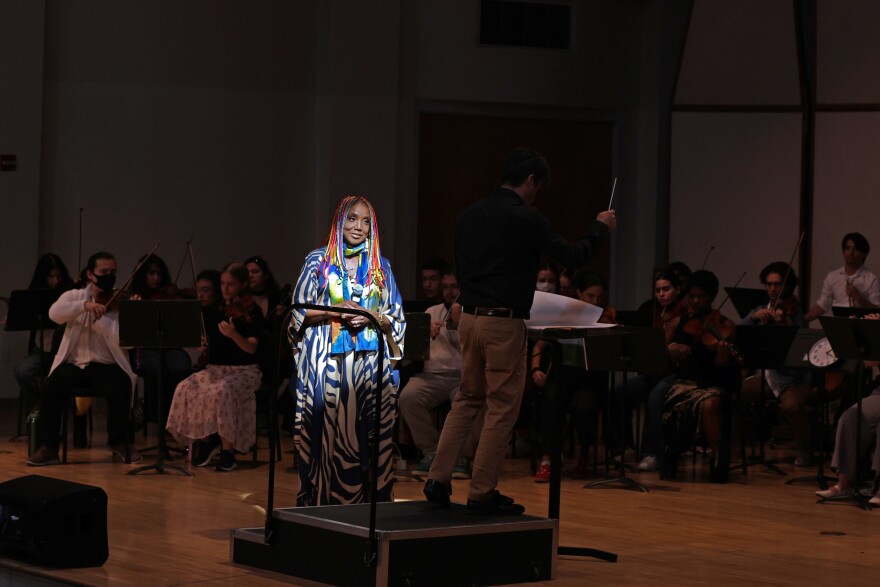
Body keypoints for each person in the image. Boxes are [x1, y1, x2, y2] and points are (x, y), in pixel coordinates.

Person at [423, 148, 616, 514]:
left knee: (466, 400)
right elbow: (572, 255)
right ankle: (481, 491)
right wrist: (599, 228)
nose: (536, 193)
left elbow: (462, 272)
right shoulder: (526, 217)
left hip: (470, 319)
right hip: (502, 322)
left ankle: (437, 479)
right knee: (501, 407)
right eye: (537, 186)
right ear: (530, 180)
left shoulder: (468, 215)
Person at [290, 195, 406, 506]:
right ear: (340, 221)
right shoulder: (318, 261)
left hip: (368, 366)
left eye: (365, 221)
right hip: (326, 363)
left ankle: (369, 509)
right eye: (352, 219)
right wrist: (336, 309)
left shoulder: (381, 267)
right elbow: (298, 311)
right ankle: (322, 504)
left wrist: (373, 316)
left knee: (368, 433)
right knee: (325, 431)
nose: (358, 226)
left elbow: (394, 317)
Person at [27, 252, 140, 466]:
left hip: (106, 366)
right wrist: (84, 306)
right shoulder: (74, 296)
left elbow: (131, 344)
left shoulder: (119, 303)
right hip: (75, 366)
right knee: (52, 385)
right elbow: (54, 313)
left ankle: (118, 441)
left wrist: (133, 314)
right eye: (104, 272)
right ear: (90, 274)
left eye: (113, 272)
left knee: (122, 383)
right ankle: (49, 447)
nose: (110, 276)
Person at [166, 263, 265, 472]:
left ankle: (227, 451)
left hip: (244, 371)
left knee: (222, 390)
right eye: (222, 284)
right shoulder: (213, 310)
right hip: (215, 368)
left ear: (243, 285)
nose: (225, 289)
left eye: (231, 284)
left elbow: (251, 349)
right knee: (187, 386)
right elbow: (207, 343)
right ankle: (205, 438)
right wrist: (200, 343)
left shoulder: (251, 311)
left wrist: (234, 334)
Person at [532, 270, 613, 482]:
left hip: (588, 379)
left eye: (599, 297)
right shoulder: (564, 314)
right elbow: (539, 346)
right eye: (590, 296)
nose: (595, 301)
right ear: (578, 293)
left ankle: (583, 456)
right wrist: (535, 369)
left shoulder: (605, 317)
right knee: (551, 401)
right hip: (562, 376)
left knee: (584, 405)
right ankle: (547, 459)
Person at [399, 269, 478, 479]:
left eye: (453, 287)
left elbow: (475, 347)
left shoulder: (471, 312)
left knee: (471, 400)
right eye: (445, 287)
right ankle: (432, 452)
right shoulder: (431, 310)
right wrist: (425, 333)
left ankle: (461, 457)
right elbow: (415, 351)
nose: (448, 292)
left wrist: (459, 324)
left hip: (461, 376)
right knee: (408, 397)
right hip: (432, 376)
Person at [663, 270, 739, 482]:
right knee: (672, 398)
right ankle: (672, 451)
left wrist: (723, 354)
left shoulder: (724, 325)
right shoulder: (678, 322)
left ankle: (717, 458)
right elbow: (663, 354)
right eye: (692, 296)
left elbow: (722, 369)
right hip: (683, 381)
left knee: (710, 403)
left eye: (701, 297)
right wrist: (672, 347)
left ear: (712, 297)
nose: (696, 301)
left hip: (712, 382)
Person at [741, 261, 814, 466]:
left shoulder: (794, 312)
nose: (773, 289)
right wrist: (754, 318)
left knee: (792, 406)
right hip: (765, 373)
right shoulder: (760, 309)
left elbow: (797, 343)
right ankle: (733, 448)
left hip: (790, 376)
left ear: (788, 286)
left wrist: (783, 323)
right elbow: (740, 330)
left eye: (778, 284)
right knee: (731, 392)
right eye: (769, 284)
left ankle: (804, 449)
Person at [128, 253, 193, 429]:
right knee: (155, 366)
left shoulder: (169, 294)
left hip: (169, 346)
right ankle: (155, 416)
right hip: (143, 349)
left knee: (181, 365)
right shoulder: (133, 296)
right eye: (151, 273)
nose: (156, 278)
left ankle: (175, 417)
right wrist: (135, 307)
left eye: (159, 274)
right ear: (143, 275)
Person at [13, 253, 74, 415]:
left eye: (58, 276)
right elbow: (24, 321)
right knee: (23, 372)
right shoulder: (34, 296)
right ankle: (38, 410)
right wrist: (16, 318)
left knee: (61, 379)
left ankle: (52, 411)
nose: (55, 281)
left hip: (67, 352)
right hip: (43, 351)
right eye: (50, 277)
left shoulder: (70, 293)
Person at [804, 232, 880, 321]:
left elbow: (877, 311)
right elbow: (822, 306)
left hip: (863, 325)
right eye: (847, 248)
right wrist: (802, 320)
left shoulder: (871, 279)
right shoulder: (833, 276)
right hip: (838, 325)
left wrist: (858, 297)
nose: (850, 253)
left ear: (864, 254)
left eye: (856, 249)